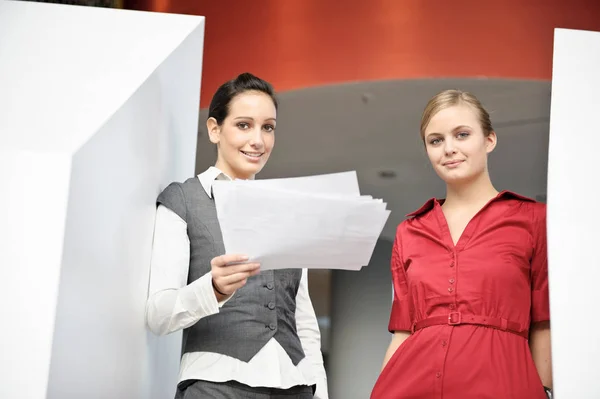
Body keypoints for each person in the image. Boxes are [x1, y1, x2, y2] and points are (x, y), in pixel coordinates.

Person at [145, 73, 328, 399]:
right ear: (215, 129)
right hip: (216, 387)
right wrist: (211, 289)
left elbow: (305, 321)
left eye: (268, 127)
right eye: (244, 125)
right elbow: (158, 314)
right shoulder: (184, 200)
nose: (258, 140)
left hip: (295, 387)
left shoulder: (288, 212)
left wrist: (320, 392)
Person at [371, 90, 552, 399]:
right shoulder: (409, 231)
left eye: (462, 134)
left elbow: (543, 323)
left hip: (503, 387)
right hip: (409, 386)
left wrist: (546, 389)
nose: (449, 149)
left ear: (489, 140)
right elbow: (403, 332)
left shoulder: (535, 220)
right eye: (436, 140)